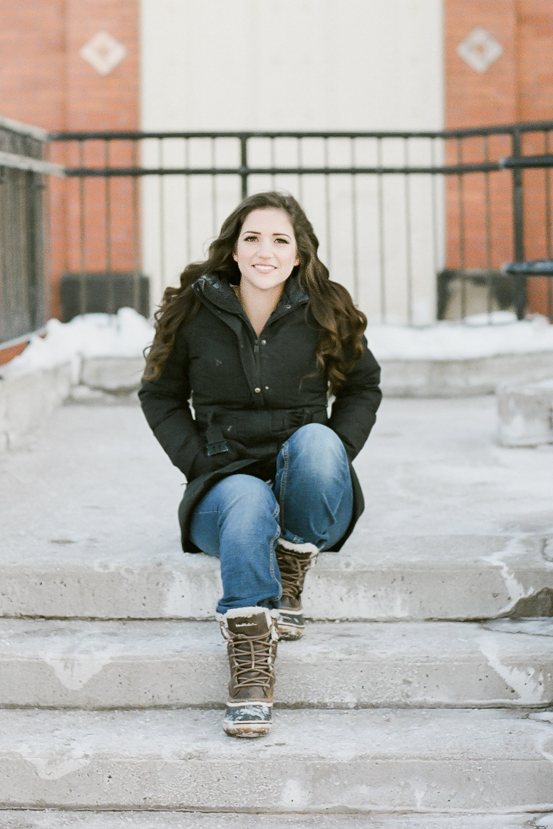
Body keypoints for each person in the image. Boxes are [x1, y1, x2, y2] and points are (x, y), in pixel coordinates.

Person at [139, 191, 381, 739]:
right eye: (252, 238)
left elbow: (363, 386)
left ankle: (292, 562)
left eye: (279, 240)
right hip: (224, 486)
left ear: (298, 255)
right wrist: (199, 462)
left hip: (311, 489)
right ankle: (251, 661)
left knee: (320, 442)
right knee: (247, 497)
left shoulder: (326, 308)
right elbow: (159, 395)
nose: (264, 251)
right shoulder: (194, 311)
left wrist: (338, 455)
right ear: (234, 249)